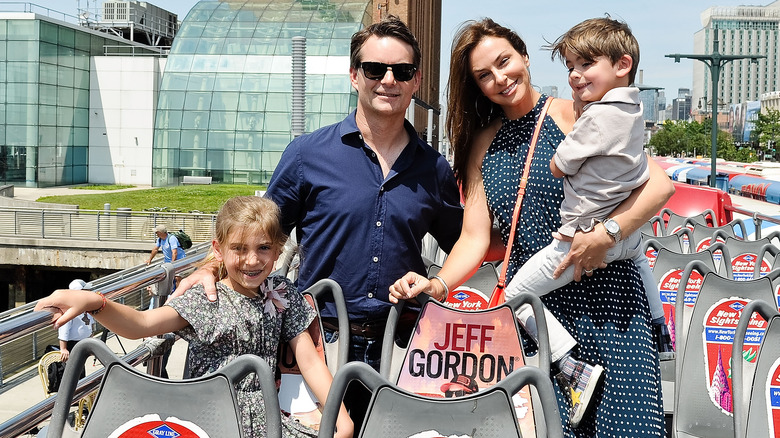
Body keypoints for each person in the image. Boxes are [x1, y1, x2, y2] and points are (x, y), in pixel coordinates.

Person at [390, 18, 673, 436]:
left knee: (627, 427)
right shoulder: (483, 143)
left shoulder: (579, 113)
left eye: (504, 62)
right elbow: (474, 236)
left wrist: (605, 235)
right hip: (540, 316)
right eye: (484, 75)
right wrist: (439, 285)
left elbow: (659, 185)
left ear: (523, 55)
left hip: (608, 297)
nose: (500, 78)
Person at [175, 16, 463, 370]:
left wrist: (439, 284)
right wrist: (213, 267)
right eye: (374, 69)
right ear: (354, 75)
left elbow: (465, 243)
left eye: (401, 71)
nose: (388, 80)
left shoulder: (433, 168)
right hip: (317, 340)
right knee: (325, 428)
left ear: (416, 80)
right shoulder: (306, 155)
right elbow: (255, 231)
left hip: (403, 345)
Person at [36, 196, 353, 438]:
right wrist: (95, 302)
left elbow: (309, 360)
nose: (252, 260)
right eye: (239, 248)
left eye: (264, 248)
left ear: (277, 250)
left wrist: (341, 419)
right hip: (207, 417)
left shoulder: (281, 291)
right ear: (218, 249)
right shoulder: (207, 297)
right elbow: (141, 325)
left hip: (262, 417)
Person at [502, 16, 673, 379]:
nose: (576, 75)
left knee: (513, 296)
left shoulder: (595, 118)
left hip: (580, 238)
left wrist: (579, 119)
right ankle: (661, 330)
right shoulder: (635, 111)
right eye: (571, 67)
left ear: (622, 65)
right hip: (627, 239)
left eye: (586, 63)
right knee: (642, 260)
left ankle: (568, 364)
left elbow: (557, 166)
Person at [57, 279, 94, 380]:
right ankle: (77, 391)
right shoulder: (70, 309)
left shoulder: (87, 306)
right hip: (73, 344)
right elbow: (63, 329)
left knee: (81, 367)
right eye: (86, 291)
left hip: (84, 341)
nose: (89, 293)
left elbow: (90, 324)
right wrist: (63, 348)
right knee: (76, 370)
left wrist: (91, 340)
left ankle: (81, 388)